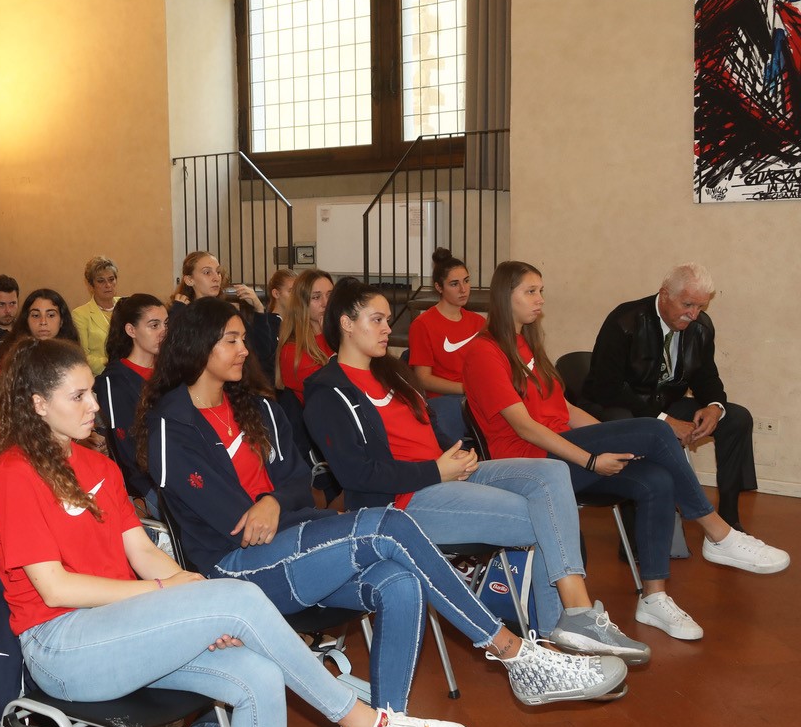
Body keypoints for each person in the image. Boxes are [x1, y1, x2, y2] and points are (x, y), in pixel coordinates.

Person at [138, 297, 627, 727]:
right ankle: (515, 654)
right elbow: (231, 522)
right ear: (198, 347)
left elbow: (295, 486)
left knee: (400, 581)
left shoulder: (257, 406)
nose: (244, 350)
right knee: (388, 528)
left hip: (293, 542)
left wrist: (268, 501)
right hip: (235, 571)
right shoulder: (170, 424)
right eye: (232, 340)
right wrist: (265, 505)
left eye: (243, 338)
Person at [0, 336, 473, 727]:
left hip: (120, 634)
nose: (96, 405)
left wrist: (186, 596)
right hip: (62, 648)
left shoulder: (100, 469)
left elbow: (142, 552)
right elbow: (55, 588)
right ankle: (363, 726)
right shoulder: (13, 475)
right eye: (80, 395)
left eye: (92, 390)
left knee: (258, 674)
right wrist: (171, 596)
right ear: (38, 405)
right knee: (232, 598)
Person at [305, 278, 648, 661]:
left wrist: (460, 458)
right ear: (347, 324)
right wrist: (436, 471)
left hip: (445, 474)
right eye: (378, 319)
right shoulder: (327, 391)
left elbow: (432, 431)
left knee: (552, 473)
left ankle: (573, 621)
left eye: (387, 319)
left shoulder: (392, 373)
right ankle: (564, 632)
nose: (388, 328)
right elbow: (358, 477)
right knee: (545, 518)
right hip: (401, 502)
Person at [462, 260, 789, 641]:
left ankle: (654, 597)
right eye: (530, 292)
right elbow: (525, 427)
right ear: (505, 297)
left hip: (560, 449)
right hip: (529, 462)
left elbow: (564, 410)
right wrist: (590, 458)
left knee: (656, 479)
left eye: (541, 291)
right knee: (654, 431)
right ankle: (718, 533)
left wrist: (612, 437)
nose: (540, 300)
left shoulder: (526, 344)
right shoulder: (484, 352)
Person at [581, 263, 755, 531]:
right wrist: (663, 421)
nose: (694, 315)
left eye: (700, 307)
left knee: (738, 418)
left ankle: (729, 521)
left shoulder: (701, 327)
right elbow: (608, 388)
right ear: (664, 294)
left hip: (665, 404)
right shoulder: (624, 321)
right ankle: (635, 529)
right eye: (688, 304)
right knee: (628, 421)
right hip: (617, 407)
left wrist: (714, 406)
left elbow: (706, 376)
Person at [407, 248, 487, 444]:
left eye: (466, 281)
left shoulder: (478, 322)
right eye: (454, 284)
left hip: (476, 397)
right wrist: (466, 388)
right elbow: (423, 379)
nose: (463, 289)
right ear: (439, 287)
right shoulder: (423, 324)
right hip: (447, 403)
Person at [93, 293, 167, 503]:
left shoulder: (170, 371)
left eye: (165, 324)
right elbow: (126, 448)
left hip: (179, 468)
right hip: (150, 483)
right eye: (154, 325)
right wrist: (145, 493)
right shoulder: (114, 381)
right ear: (131, 330)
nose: (163, 332)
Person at [170, 250, 276, 376]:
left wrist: (259, 309)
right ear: (189, 280)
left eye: (218, 272)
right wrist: (176, 315)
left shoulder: (227, 312)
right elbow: (172, 354)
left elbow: (262, 351)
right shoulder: (181, 312)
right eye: (207, 272)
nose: (216, 278)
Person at [0, 288, 80, 393]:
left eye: (51, 315)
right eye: (36, 315)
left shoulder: (71, 354)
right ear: (26, 321)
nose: (43, 322)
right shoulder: (10, 357)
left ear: (61, 321)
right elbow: (5, 400)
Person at [276, 268, 334, 404]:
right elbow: (333, 390)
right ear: (301, 304)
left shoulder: (340, 336)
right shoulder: (292, 351)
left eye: (330, 295)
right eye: (316, 297)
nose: (326, 303)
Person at [71, 255, 120, 375]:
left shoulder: (126, 305)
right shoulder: (80, 314)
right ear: (90, 285)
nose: (108, 285)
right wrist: (115, 363)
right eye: (101, 281)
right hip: (99, 377)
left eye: (111, 279)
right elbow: (82, 356)